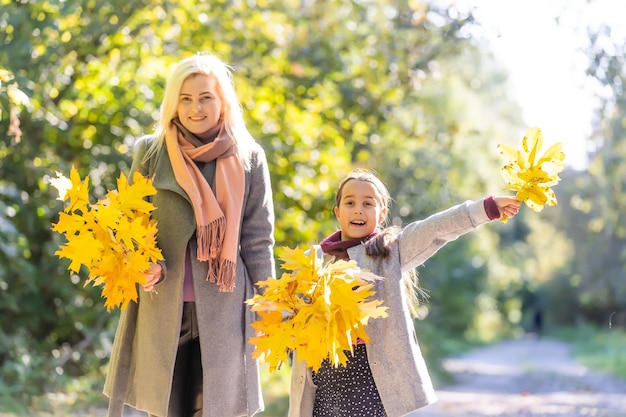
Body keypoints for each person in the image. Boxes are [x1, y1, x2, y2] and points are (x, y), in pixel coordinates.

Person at [103, 53, 276, 417]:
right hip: (162, 305)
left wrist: (270, 304)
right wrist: (145, 263)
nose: (196, 108)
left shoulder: (250, 157)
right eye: (186, 98)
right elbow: (130, 223)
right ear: (174, 103)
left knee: (216, 409)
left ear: (222, 101)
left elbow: (259, 240)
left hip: (226, 309)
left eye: (205, 97)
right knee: (166, 409)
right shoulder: (150, 153)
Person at [288, 168, 522, 417]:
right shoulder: (313, 260)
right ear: (338, 212)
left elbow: (433, 229)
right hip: (323, 386)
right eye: (350, 202)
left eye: (368, 203)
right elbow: (288, 314)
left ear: (382, 214)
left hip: (371, 385)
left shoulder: (389, 252)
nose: (358, 209)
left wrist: (484, 209)